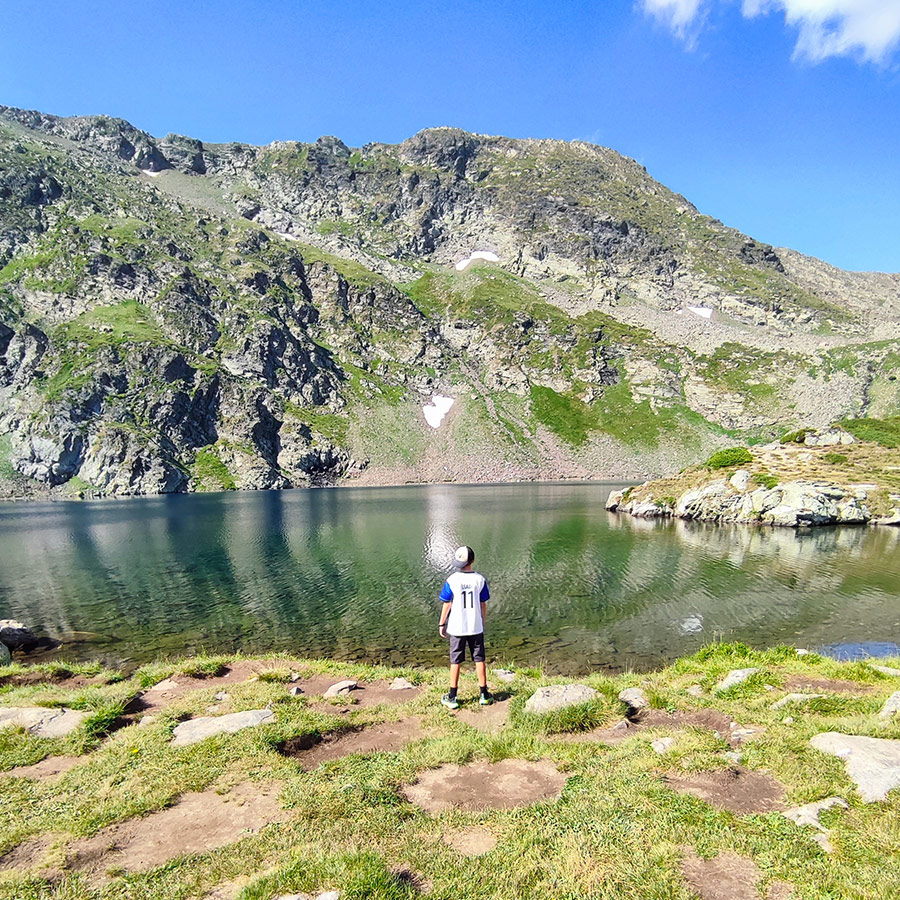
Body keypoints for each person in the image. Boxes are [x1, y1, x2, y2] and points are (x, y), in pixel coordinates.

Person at [438, 544, 491, 709]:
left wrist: (442, 623)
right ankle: (484, 694)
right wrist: (482, 621)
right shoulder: (479, 579)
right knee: (479, 658)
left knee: (455, 661)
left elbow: (447, 603)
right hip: (475, 627)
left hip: (456, 628)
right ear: (473, 560)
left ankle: (452, 696)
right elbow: (483, 604)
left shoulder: (452, 580)